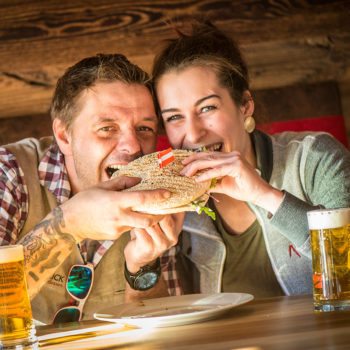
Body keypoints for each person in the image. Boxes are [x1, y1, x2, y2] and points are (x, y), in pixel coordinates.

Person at [152, 21, 350, 297]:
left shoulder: (316, 157)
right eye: (174, 117)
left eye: (207, 107)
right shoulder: (176, 206)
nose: (194, 134)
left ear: (244, 105)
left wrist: (263, 194)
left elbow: (345, 268)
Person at [0, 53, 183, 324]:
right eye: (107, 128)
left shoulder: (158, 194)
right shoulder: (9, 173)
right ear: (64, 135)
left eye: (144, 128)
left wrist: (143, 270)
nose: (133, 146)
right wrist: (69, 224)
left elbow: (165, 334)